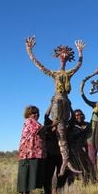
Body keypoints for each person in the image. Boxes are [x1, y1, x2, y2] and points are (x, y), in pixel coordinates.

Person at [25, 36, 85, 176]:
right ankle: (65, 162)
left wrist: (80, 52)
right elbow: (39, 65)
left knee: (64, 129)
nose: (64, 55)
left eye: (66, 53)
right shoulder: (54, 73)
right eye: (61, 53)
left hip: (66, 101)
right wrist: (29, 50)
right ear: (58, 56)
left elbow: (78, 65)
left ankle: (66, 161)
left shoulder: (68, 73)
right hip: (57, 101)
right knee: (60, 130)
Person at [17, 105, 58, 194]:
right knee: (24, 176)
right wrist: (53, 124)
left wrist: (53, 128)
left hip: (36, 154)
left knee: (31, 177)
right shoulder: (29, 121)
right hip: (28, 154)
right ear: (29, 114)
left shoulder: (37, 123)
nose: (36, 115)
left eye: (37, 113)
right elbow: (40, 130)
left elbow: (44, 133)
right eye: (33, 113)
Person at [67, 109, 94, 184]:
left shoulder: (88, 125)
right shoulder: (71, 125)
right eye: (77, 115)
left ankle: (85, 184)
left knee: (85, 167)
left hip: (84, 149)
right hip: (72, 149)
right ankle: (70, 186)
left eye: (80, 114)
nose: (79, 116)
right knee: (71, 169)